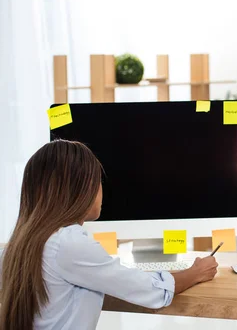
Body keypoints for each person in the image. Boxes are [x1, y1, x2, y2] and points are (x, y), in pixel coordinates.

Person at [0, 140, 218, 330]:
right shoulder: (69, 243)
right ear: (79, 190)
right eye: (98, 181)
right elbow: (147, 290)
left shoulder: (20, 244)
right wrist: (195, 272)